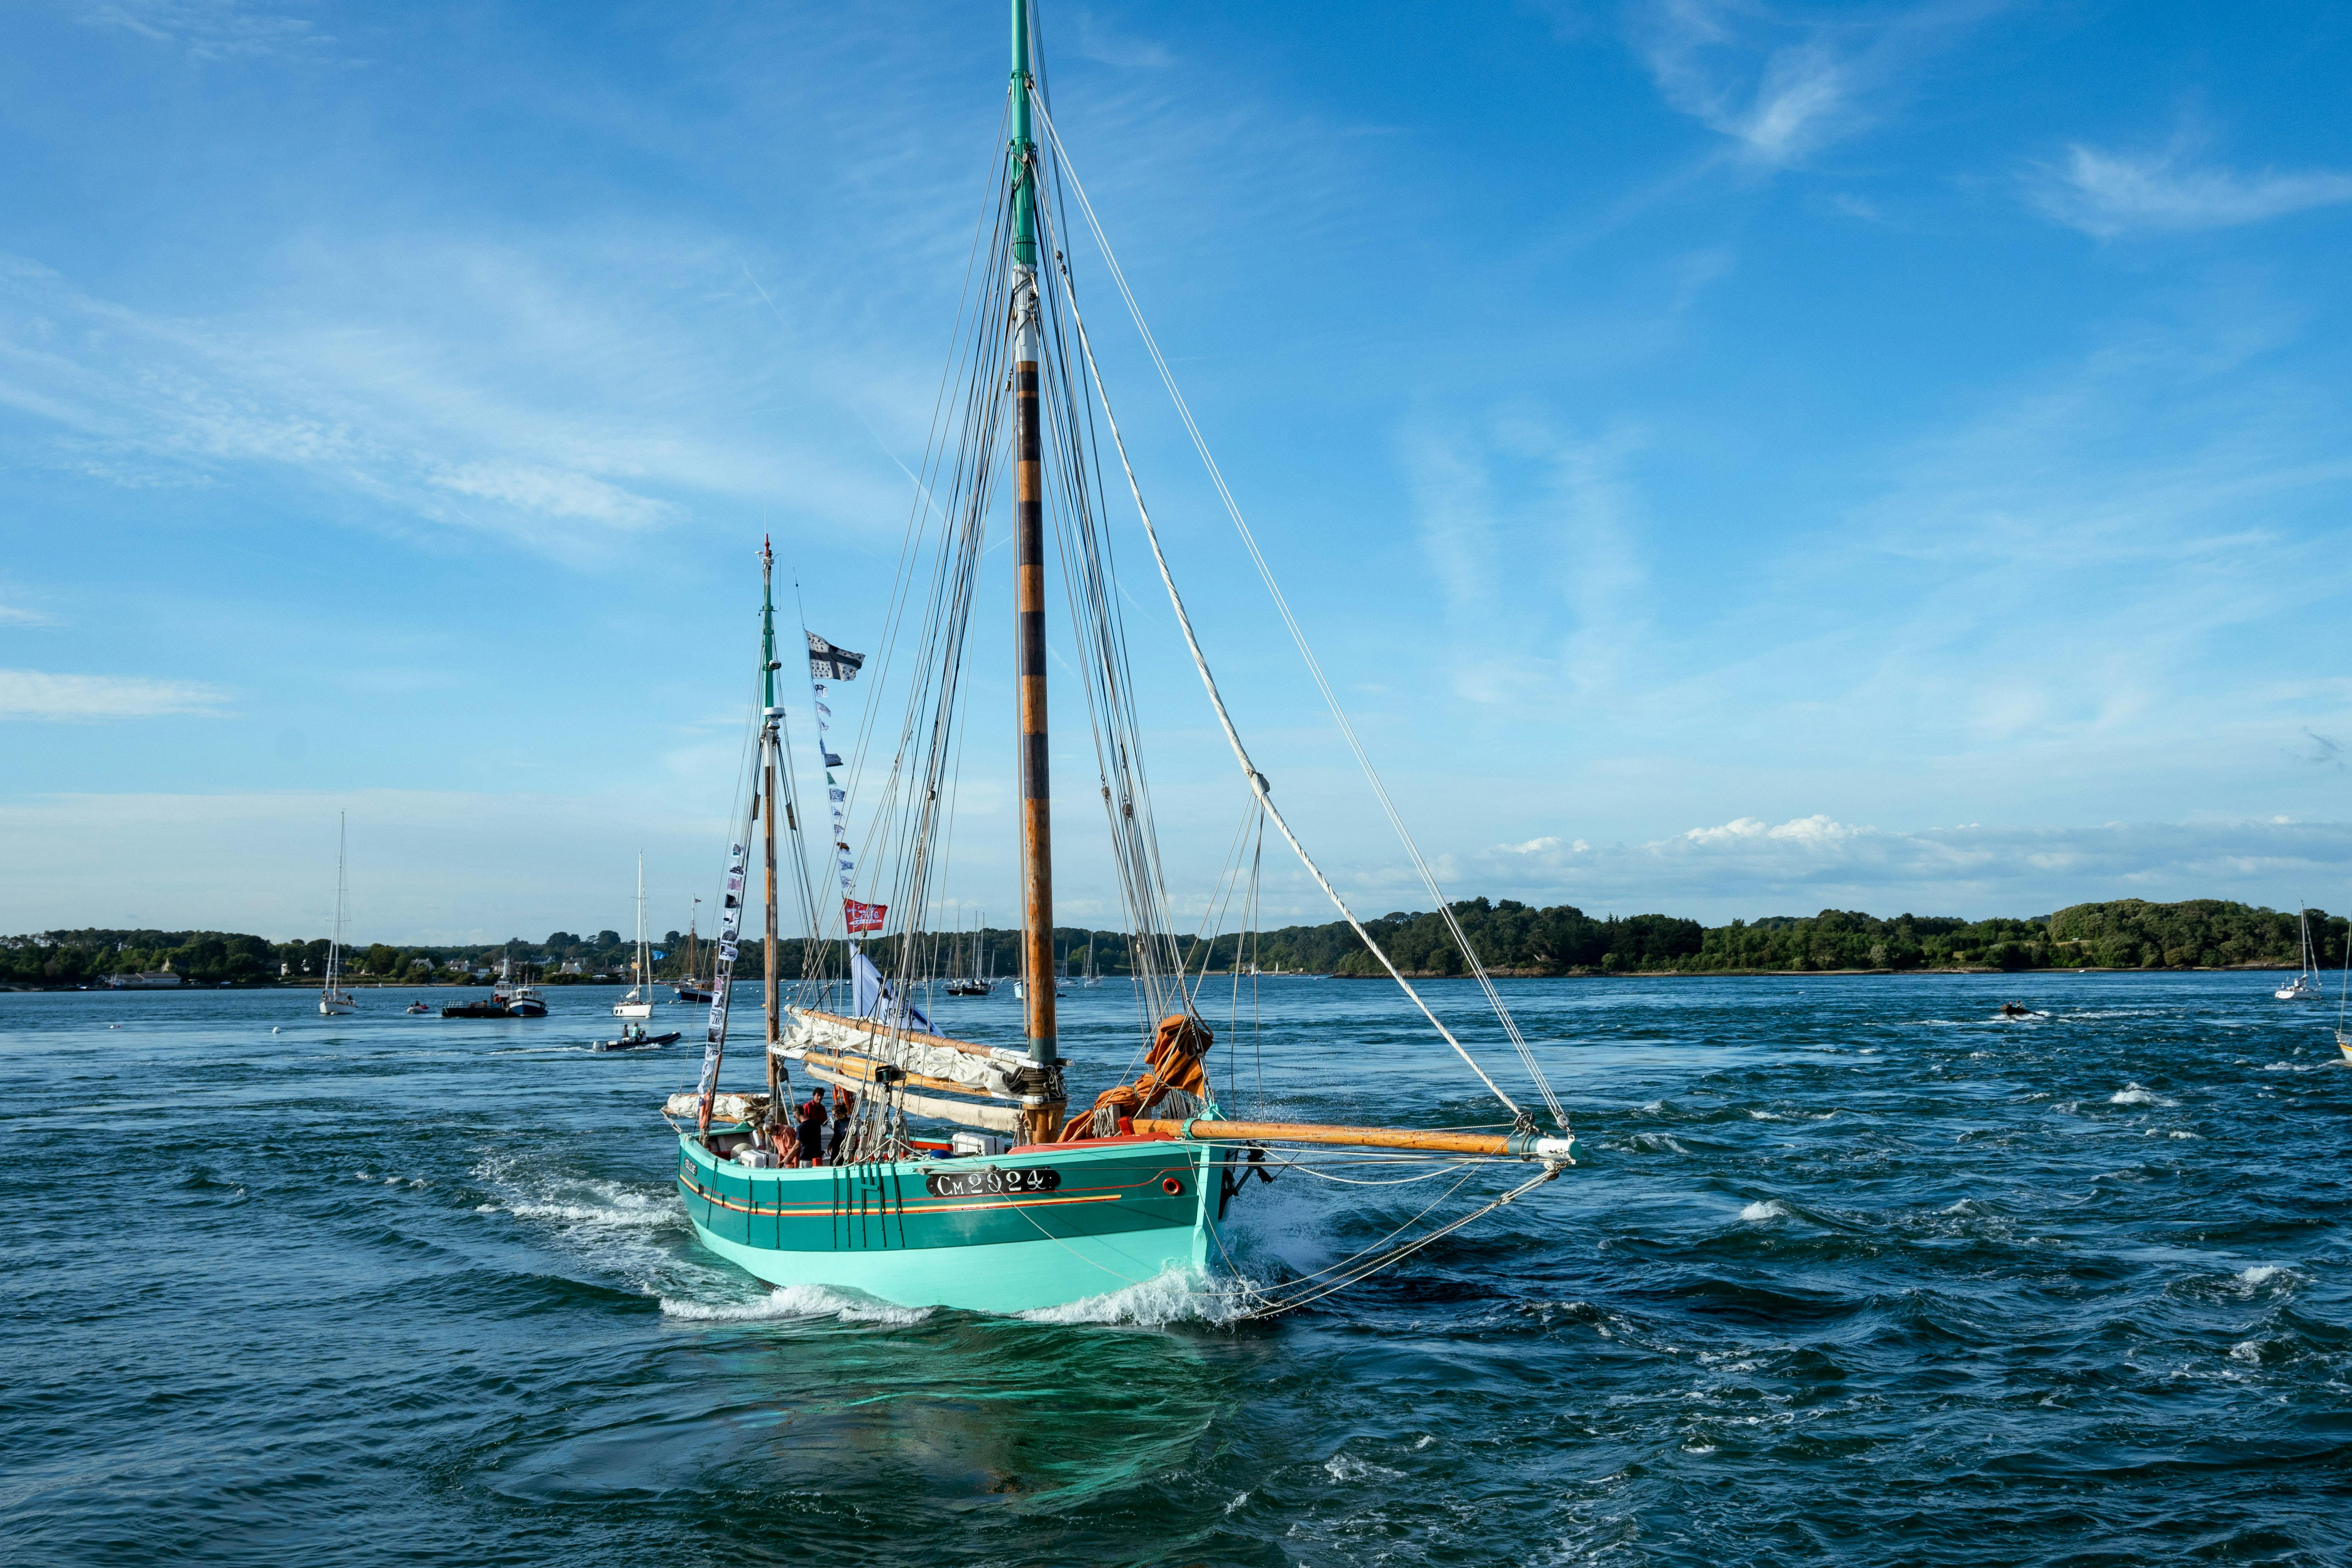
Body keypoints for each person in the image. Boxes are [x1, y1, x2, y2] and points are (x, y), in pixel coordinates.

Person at [796, 1090, 828, 1168]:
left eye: (821, 1096)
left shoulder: (823, 1108)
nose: (820, 1098)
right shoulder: (808, 1106)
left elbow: (825, 1121)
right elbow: (803, 1119)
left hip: (818, 1130)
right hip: (808, 1130)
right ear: (814, 1096)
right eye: (818, 1095)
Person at [828, 1089, 855, 1163]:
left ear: (840, 1113)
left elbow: (854, 1139)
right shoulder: (837, 1123)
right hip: (837, 1148)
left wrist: (853, 1154)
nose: (834, 1117)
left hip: (846, 1149)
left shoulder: (850, 1123)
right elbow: (836, 1135)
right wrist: (831, 1144)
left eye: (835, 1115)